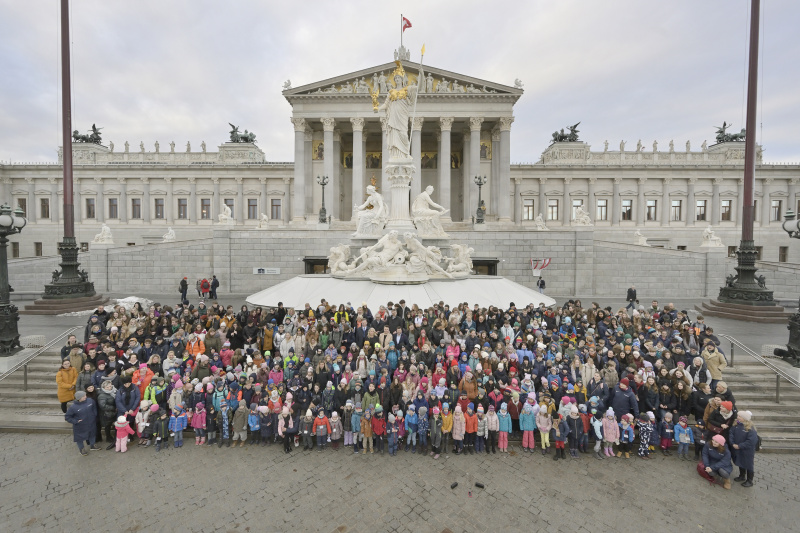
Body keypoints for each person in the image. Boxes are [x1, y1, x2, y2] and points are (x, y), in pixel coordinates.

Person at [64, 391, 100, 456]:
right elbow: (67, 417)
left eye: (85, 395)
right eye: (83, 396)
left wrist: (94, 415)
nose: (85, 397)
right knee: (79, 438)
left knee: (92, 434)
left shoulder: (90, 401)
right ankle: (81, 449)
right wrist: (76, 421)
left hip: (91, 423)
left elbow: (94, 407)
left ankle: (93, 445)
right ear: (79, 398)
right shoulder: (73, 407)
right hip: (80, 426)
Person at [729, 411, 758, 487]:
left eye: (740, 416)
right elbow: (731, 433)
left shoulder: (750, 428)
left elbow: (751, 441)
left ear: (745, 419)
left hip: (747, 450)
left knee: (748, 464)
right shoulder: (736, 425)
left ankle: (749, 480)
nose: (737, 417)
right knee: (740, 462)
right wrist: (732, 443)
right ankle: (742, 476)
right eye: (738, 415)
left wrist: (740, 446)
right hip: (737, 448)